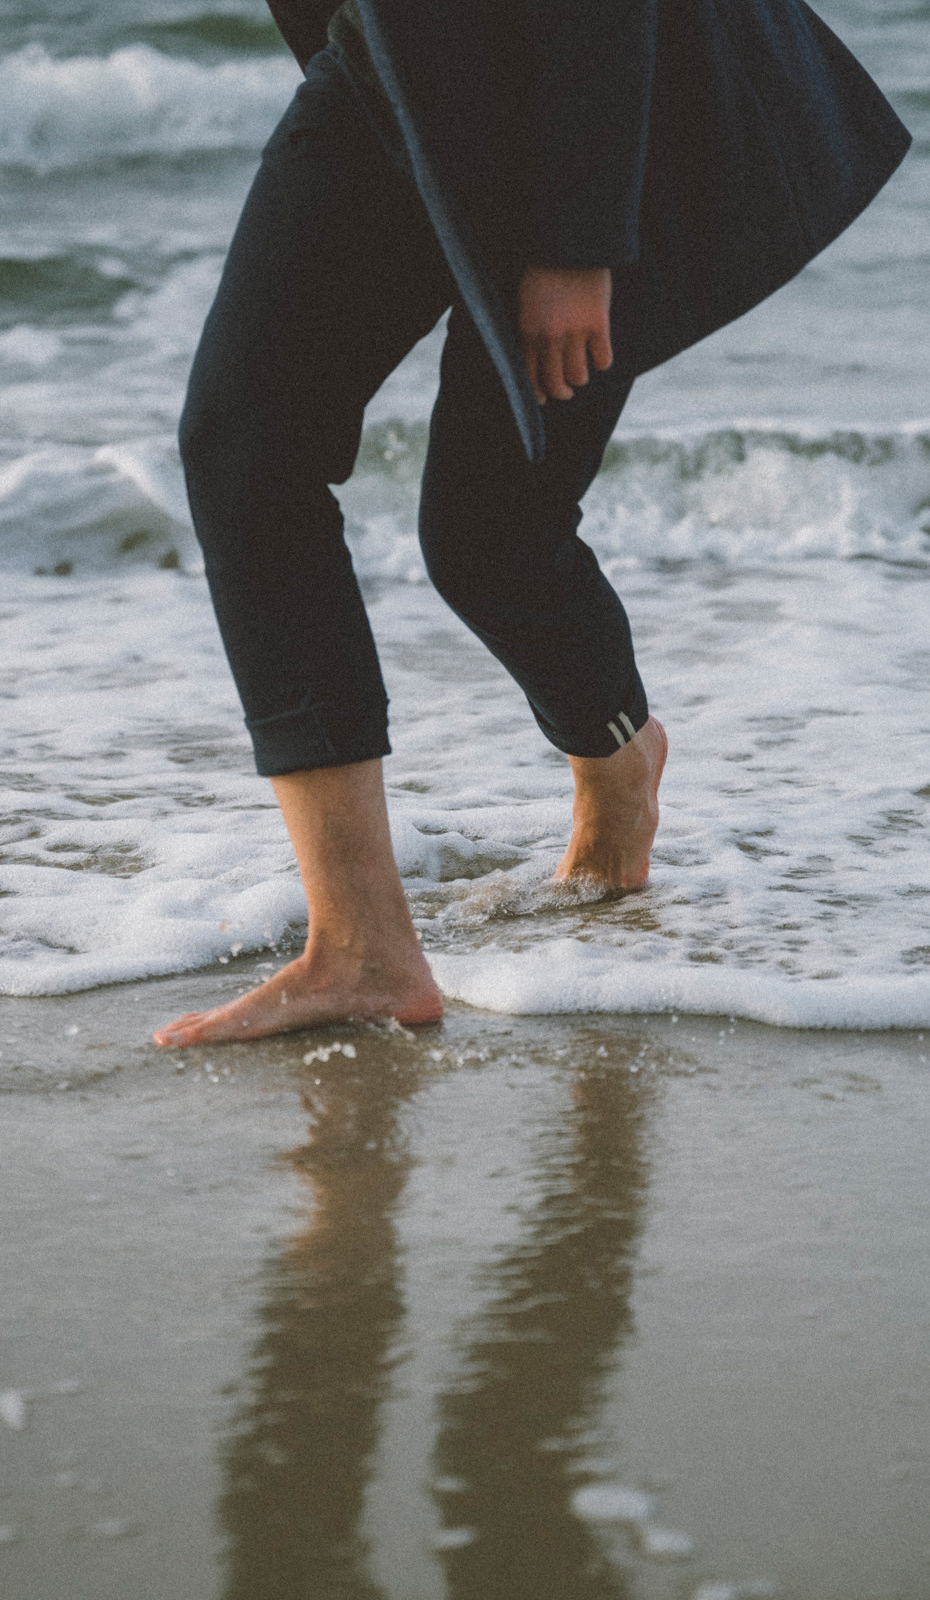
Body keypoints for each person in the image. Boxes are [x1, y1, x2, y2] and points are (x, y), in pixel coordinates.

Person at [153, 0, 909, 1048]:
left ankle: (618, 760)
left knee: (487, 536)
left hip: (595, 90)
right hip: (394, 57)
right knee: (243, 446)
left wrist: (577, 238)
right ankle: (362, 947)